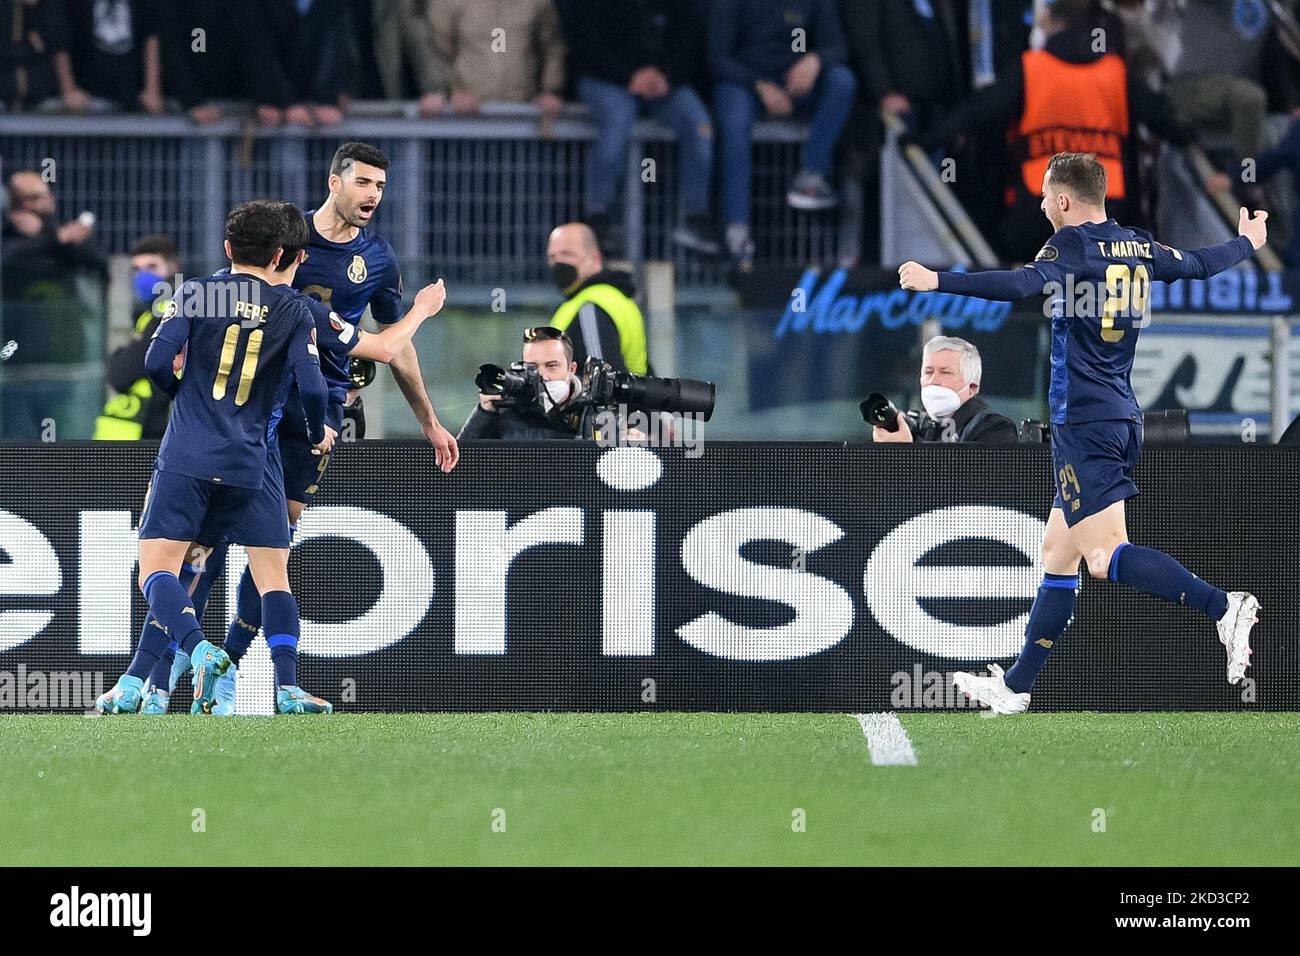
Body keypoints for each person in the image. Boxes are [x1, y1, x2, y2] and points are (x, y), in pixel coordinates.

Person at [897, 151, 1266, 714]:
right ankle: (1017, 687)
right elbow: (1195, 264)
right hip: (1118, 416)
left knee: (1103, 556)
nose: (1043, 204)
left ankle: (1223, 607)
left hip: (1086, 421)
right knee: (1056, 554)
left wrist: (938, 279)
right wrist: (1247, 244)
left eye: (1046, 195)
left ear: (1064, 200)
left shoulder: (1070, 247)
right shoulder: (1138, 245)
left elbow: (1020, 284)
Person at [155, 142, 459, 712]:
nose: (372, 195)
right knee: (214, 535)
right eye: (363, 182)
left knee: (274, 542)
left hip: (315, 415)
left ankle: (228, 665)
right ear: (334, 182)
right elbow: (230, 296)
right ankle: (164, 668)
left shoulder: (380, 260)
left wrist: (430, 421)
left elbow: (396, 347)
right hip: (254, 408)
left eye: (381, 187)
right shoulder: (284, 235)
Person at [96, 200, 335, 715]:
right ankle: (286, 685)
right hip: (251, 462)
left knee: (160, 569)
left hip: (188, 452)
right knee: (270, 573)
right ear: (280, 255)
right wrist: (317, 433)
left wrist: (180, 390)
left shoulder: (199, 292)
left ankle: (198, 651)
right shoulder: (294, 309)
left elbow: (157, 361)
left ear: (228, 248)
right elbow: (313, 389)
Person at [916, 0, 1194, 263]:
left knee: (1035, 278)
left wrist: (924, 140)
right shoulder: (1115, 73)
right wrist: (1191, 136)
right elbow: (1163, 120)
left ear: (1053, 24)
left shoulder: (1031, 68)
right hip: (1105, 207)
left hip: (1039, 206)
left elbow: (977, 111)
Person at [708, 0, 858, 269]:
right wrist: (759, 86)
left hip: (797, 84)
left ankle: (811, 174)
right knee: (733, 113)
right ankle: (736, 230)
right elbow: (716, 59)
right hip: (746, 83)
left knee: (841, 81)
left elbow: (838, 46)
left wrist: (815, 59)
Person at [561, 0, 720, 255]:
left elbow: (691, 41)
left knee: (700, 126)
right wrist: (628, 76)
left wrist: (669, 76)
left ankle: (695, 218)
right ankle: (599, 216)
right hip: (605, 78)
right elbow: (584, 43)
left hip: (664, 82)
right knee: (617, 120)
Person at [94, 235, 182, 440]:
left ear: (173, 268)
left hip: (158, 427)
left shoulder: (169, 310)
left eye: (151, 267)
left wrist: (119, 357)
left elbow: (121, 374)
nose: (142, 276)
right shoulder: (148, 313)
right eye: (137, 269)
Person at [870, 336, 1019, 444]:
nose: (933, 380)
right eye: (928, 372)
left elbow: (970, 482)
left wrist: (907, 453)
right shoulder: (920, 426)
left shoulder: (995, 428)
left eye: (945, 372)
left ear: (972, 387)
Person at [430, 0, 566, 116]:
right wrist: (453, 91)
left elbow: (552, 48)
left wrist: (550, 90)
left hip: (526, 114)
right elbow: (437, 51)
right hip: (467, 115)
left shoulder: (537, 2)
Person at [545, 222, 647, 374]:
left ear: (595, 258)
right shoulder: (619, 298)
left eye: (567, 254)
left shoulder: (590, 306)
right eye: (552, 257)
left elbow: (602, 382)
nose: (558, 263)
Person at [459, 326, 587, 440]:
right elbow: (461, 464)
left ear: (571, 369)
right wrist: (484, 413)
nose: (542, 376)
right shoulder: (507, 408)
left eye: (551, 366)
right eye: (532, 367)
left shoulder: (591, 410)